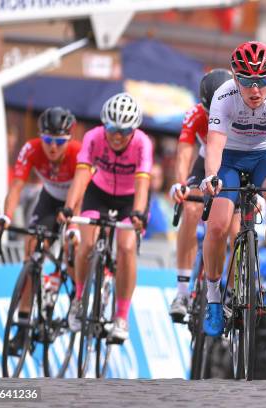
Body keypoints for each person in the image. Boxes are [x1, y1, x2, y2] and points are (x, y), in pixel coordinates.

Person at [201, 41, 266, 337]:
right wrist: (210, 176)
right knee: (217, 226)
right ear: (235, 78)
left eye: (262, 81)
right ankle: (213, 299)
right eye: (247, 81)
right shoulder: (225, 95)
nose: (255, 90)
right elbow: (215, 144)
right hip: (230, 157)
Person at [59, 92, 153, 343]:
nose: (117, 135)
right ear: (104, 125)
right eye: (112, 128)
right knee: (86, 243)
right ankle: (78, 300)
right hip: (98, 193)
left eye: (124, 130)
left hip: (130, 199)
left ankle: (121, 316)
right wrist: (69, 208)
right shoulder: (93, 138)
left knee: (125, 248)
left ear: (134, 129)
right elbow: (81, 177)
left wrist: (139, 213)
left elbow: (143, 183)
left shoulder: (143, 143)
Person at [0, 106, 80, 355]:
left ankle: (78, 295)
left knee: (73, 244)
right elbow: (17, 186)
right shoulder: (30, 149)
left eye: (59, 142)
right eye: (48, 140)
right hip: (51, 198)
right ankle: (23, 328)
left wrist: (73, 225)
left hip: (80, 197)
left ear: (69, 140)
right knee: (31, 255)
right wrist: (5, 216)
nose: (53, 147)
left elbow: (82, 191)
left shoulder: (77, 152)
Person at [168, 68, 239, 323]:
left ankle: (231, 294)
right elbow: (185, 150)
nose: (213, 118)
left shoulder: (243, 108)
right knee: (191, 209)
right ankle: (183, 291)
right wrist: (180, 184)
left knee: (235, 231)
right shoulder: (195, 114)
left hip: (237, 165)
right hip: (205, 164)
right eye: (209, 113)